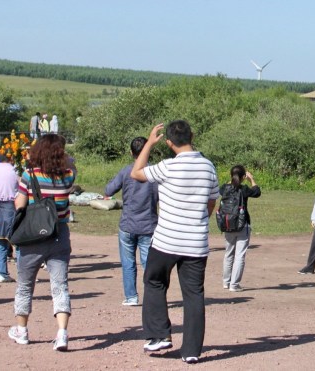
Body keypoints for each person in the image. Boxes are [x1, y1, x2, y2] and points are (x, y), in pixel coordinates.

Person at [131, 121, 218, 364]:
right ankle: (191, 350)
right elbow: (212, 201)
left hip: (166, 240)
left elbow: (136, 173)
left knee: (154, 281)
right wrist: (199, 219)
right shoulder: (208, 166)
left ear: (169, 143)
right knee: (194, 294)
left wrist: (149, 143)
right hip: (196, 242)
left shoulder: (167, 166)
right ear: (192, 135)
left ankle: (159, 335)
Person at [8, 133, 77, 351]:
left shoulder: (30, 176)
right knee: (60, 286)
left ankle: (22, 331)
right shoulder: (67, 176)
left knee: (25, 286)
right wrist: (65, 159)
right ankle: (62, 333)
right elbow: (72, 165)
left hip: (32, 237)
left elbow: (19, 205)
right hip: (59, 235)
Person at [104, 136, 159, 306]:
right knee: (148, 263)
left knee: (128, 263)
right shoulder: (155, 172)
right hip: (148, 224)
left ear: (131, 152)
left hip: (128, 223)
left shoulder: (126, 171)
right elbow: (159, 196)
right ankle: (152, 297)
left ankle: (131, 297)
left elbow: (109, 190)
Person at [220, 164, 261, 292]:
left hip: (228, 225)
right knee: (239, 255)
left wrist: (232, 178)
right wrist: (251, 179)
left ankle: (226, 282)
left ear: (231, 176)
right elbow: (257, 192)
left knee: (228, 254)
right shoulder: (244, 190)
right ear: (243, 177)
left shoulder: (224, 188)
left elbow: (223, 188)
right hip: (242, 225)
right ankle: (234, 285)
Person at [0, 156, 20, 283]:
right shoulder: (14, 171)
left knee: (0, 242)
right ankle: (23, 272)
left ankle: (1, 273)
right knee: (19, 242)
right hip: (11, 205)